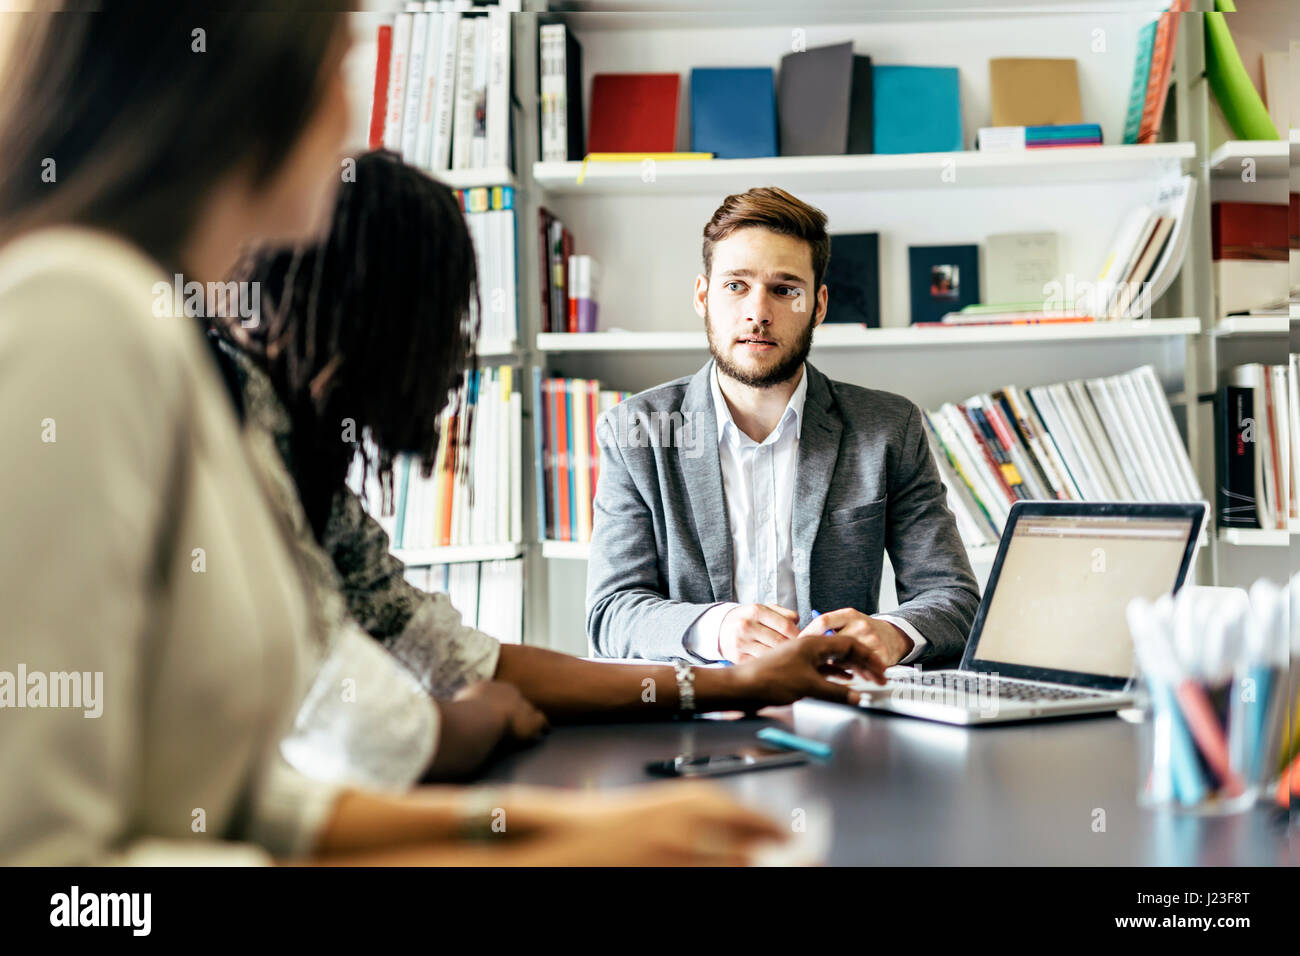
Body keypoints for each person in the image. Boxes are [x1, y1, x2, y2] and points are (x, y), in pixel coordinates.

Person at [0, 3, 786, 866]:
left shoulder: (181, 362)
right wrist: (531, 856)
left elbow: (268, 812)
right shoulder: (76, 312)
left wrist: (558, 829)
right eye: (341, 73)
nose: (353, 120)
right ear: (250, 94)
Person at [209, 151, 884, 789]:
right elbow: (362, 734)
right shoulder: (229, 426)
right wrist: (478, 719)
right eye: (444, 322)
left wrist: (743, 685)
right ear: (376, 315)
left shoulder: (307, 462)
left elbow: (448, 652)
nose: (454, 362)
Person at [586, 186, 981, 669]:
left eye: (784, 289)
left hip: (840, 710)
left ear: (817, 305)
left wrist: (892, 633)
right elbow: (611, 614)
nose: (758, 313)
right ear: (703, 296)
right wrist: (718, 629)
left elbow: (954, 599)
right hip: (699, 714)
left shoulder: (888, 428)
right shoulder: (637, 432)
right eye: (736, 286)